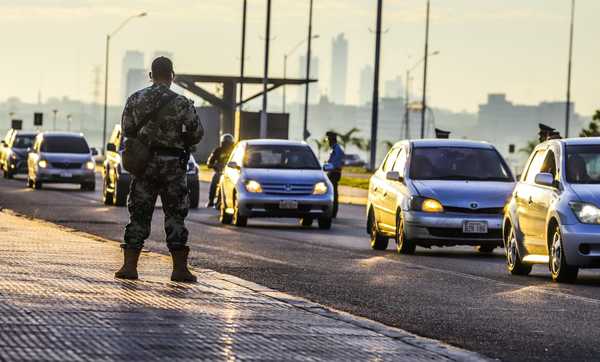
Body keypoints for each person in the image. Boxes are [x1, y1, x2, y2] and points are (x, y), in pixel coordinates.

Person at [115, 57, 204, 282]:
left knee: (139, 213)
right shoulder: (182, 103)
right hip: (173, 167)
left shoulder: (136, 99)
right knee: (175, 215)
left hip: (144, 166)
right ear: (172, 75)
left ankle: (129, 267)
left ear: (151, 75)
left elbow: (126, 129)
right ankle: (179, 269)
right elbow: (197, 133)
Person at [206, 133, 235, 208]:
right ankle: (211, 200)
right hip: (219, 172)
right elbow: (209, 162)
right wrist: (214, 165)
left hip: (231, 173)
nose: (227, 146)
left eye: (229, 144)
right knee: (214, 179)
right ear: (222, 143)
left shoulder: (235, 152)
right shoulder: (217, 150)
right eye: (225, 144)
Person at [325, 131, 345, 218]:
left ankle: (333, 212)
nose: (328, 142)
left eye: (329, 140)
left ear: (332, 140)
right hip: (332, 173)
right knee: (332, 192)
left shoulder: (337, 150)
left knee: (333, 193)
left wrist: (328, 166)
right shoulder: (334, 148)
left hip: (335, 173)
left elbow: (335, 164)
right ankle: (332, 212)